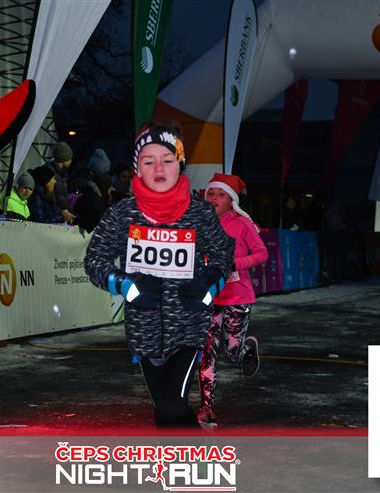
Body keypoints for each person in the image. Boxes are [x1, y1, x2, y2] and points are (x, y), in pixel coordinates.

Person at [84, 120, 234, 427]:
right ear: (137, 167)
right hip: (144, 329)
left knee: (171, 405)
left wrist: (207, 286)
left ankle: (188, 455)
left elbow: (224, 255)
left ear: (180, 163)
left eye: (167, 160)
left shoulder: (199, 213)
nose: (159, 169)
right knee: (165, 410)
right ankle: (182, 456)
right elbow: (94, 261)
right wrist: (126, 285)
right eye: (148, 161)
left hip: (188, 325)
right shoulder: (123, 214)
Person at [198, 173, 268, 426]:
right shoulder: (198, 223)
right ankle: (206, 407)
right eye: (210, 193)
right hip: (208, 297)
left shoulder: (242, 224)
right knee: (207, 353)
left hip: (237, 295)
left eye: (221, 195)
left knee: (232, 353)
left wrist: (235, 264)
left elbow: (261, 253)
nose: (214, 198)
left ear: (232, 201)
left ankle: (246, 348)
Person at [45, 141, 75, 224]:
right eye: (69, 158)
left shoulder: (62, 174)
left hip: (61, 218)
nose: (71, 161)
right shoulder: (49, 174)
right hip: (54, 220)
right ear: (63, 159)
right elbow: (50, 198)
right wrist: (61, 213)